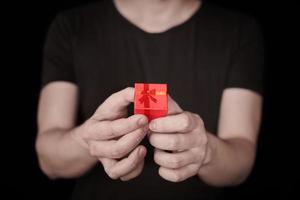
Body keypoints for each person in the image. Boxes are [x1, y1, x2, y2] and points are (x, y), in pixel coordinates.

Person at [35, 0, 264, 199]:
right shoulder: (71, 25)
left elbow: (241, 163)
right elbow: (48, 160)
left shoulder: (240, 30)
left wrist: (206, 152)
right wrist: (87, 140)